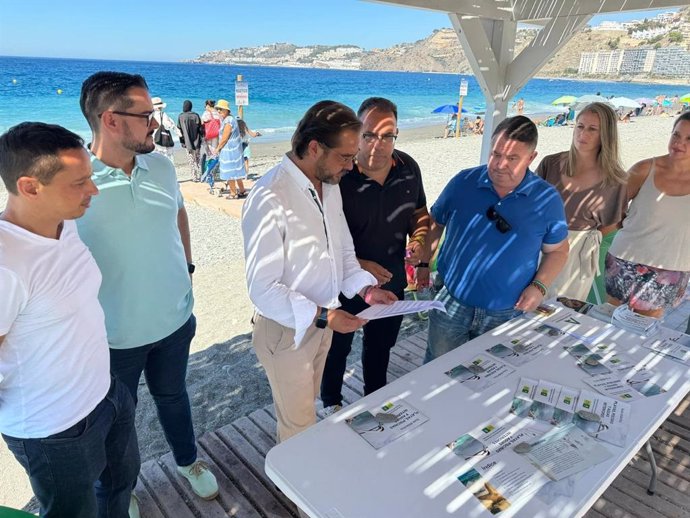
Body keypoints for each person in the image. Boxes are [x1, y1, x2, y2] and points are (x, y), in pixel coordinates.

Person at [77, 71, 218, 501]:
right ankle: (121, 489)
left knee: (173, 397)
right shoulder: (75, 184)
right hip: (112, 337)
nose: (156, 123)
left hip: (175, 320)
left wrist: (188, 267)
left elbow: (178, 214)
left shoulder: (159, 164)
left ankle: (187, 460)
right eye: (146, 115)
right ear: (111, 120)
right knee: (117, 419)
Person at [0, 122, 140, 518]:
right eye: (79, 183)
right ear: (29, 187)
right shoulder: (6, 263)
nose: (92, 190)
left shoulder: (66, 222)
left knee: (120, 484)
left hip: (106, 395)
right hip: (54, 430)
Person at [241, 100, 397, 445]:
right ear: (314, 148)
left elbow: (340, 251)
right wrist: (327, 317)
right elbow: (263, 288)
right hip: (286, 332)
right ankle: (297, 498)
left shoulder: (330, 186)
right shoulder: (269, 195)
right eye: (345, 156)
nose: (352, 165)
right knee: (297, 429)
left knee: (305, 416)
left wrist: (365, 290)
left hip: (321, 322)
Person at [423, 115, 569, 363]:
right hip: (450, 301)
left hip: (508, 310)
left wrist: (540, 286)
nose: (500, 164)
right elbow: (435, 223)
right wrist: (423, 264)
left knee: (492, 375)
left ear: (531, 158)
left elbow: (558, 251)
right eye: (496, 154)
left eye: (512, 158)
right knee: (437, 367)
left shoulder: (546, 199)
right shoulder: (463, 182)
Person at [320, 97, 430, 415]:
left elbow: (419, 215)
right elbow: (322, 237)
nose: (377, 145)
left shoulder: (408, 167)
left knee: (380, 346)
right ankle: (331, 402)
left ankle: (375, 397)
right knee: (337, 346)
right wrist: (359, 265)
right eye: (369, 135)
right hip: (343, 281)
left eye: (387, 136)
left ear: (396, 135)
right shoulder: (338, 175)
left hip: (391, 279)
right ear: (356, 134)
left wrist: (420, 243)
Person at [535, 102, 627, 301]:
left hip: (576, 258)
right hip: (538, 245)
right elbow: (530, 203)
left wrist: (578, 240)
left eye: (592, 129)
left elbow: (611, 225)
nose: (582, 133)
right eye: (580, 126)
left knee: (560, 315)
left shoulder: (614, 180)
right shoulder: (550, 164)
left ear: (606, 135)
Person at [605, 112, 690, 318]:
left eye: (689, 139)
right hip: (625, 260)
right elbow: (612, 206)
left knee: (641, 334)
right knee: (608, 323)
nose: (679, 143)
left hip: (670, 270)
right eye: (676, 135)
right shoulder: (645, 169)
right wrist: (621, 223)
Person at [215, 99, 246, 199]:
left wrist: (217, 148)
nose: (219, 111)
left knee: (230, 171)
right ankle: (242, 191)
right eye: (218, 109)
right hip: (235, 149)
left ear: (226, 110)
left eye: (221, 109)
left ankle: (233, 193)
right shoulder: (230, 119)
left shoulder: (228, 121)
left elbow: (225, 138)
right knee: (236, 171)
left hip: (230, 150)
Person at [177, 100, 203, 181]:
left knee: (191, 160)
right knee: (198, 159)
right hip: (197, 141)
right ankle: (200, 175)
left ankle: (194, 177)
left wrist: (182, 142)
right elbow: (200, 129)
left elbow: (179, 130)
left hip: (187, 142)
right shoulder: (196, 116)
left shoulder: (181, 116)